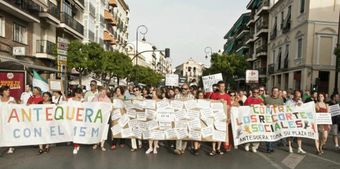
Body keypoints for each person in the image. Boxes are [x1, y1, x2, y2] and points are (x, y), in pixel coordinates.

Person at [209, 81, 231, 155]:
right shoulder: (214, 94)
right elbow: (210, 103)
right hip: (215, 117)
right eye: (221, 86)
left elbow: (228, 108)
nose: (222, 88)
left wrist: (228, 117)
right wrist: (218, 101)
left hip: (223, 117)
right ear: (218, 87)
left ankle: (218, 148)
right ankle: (213, 149)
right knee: (214, 132)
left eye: (223, 86)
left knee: (221, 132)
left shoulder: (227, 96)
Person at [174, 83, 195, 155]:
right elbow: (173, 105)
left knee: (186, 132)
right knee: (179, 131)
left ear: (188, 89)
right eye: (182, 88)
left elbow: (194, 107)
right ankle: (178, 148)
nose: (183, 90)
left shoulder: (191, 97)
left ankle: (183, 148)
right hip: (179, 117)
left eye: (185, 89)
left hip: (188, 117)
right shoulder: (177, 96)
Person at [285, 90, 306, 154]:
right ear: (294, 95)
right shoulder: (289, 101)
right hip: (290, 119)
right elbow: (285, 109)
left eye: (299, 96)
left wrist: (301, 105)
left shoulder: (301, 102)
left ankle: (299, 147)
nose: (298, 97)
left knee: (299, 133)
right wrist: (295, 105)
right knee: (290, 133)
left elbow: (304, 110)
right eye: (296, 95)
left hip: (298, 120)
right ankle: (290, 147)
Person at [243, 87, 263, 153]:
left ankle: (254, 146)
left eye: (257, 92)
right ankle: (247, 144)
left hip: (257, 120)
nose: (256, 94)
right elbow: (243, 108)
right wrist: (248, 105)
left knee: (257, 133)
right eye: (254, 92)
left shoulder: (260, 100)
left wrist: (263, 106)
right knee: (249, 132)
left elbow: (264, 110)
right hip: (249, 119)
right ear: (252, 92)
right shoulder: (248, 99)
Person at [264, 87, 284, 153]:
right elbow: (262, 107)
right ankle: (268, 147)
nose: (275, 92)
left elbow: (283, 108)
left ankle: (271, 146)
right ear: (271, 92)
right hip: (268, 119)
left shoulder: (281, 100)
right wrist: (265, 106)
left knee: (275, 133)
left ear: (278, 92)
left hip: (276, 119)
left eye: (276, 91)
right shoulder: (267, 99)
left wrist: (278, 106)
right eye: (274, 91)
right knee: (268, 133)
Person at [92, 86, 111, 152]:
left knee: (104, 131)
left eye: (105, 92)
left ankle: (102, 145)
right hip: (97, 118)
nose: (104, 94)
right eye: (102, 92)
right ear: (100, 92)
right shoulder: (95, 98)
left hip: (104, 118)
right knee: (96, 131)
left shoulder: (108, 99)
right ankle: (96, 143)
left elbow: (110, 108)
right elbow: (92, 106)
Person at [145, 89, 163, 154]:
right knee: (150, 133)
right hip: (151, 119)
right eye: (152, 93)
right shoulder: (150, 101)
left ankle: (155, 147)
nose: (152, 94)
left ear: (157, 94)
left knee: (156, 134)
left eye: (153, 93)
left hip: (158, 119)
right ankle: (150, 147)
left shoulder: (161, 101)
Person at [0, 86, 16, 154]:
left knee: (9, 132)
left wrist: (14, 104)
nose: (8, 91)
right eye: (6, 90)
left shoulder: (12, 99)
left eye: (9, 90)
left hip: (9, 120)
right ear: (2, 92)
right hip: (1, 119)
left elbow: (18, 108)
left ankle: (11, 146)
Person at [70, 88, 84, 155]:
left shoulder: (82, 100)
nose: (80, 94)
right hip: (72, 118)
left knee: (77, 132)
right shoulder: (70, 100)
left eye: (81, 93)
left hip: (80, 119)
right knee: (73, 132)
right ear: (75, 93)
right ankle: (75, 146)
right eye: (79, 93)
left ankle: (76, 145)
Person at [130, 86, 144, 152]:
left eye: (137, 90)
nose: (135, 91)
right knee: (133, 130)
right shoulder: (131, 98)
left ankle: (140, 142)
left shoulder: (143, 98)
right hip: (133, 116)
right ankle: (134, 146)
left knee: (139, 129)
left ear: (140, 91)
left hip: (140, 116)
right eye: (134, 90)